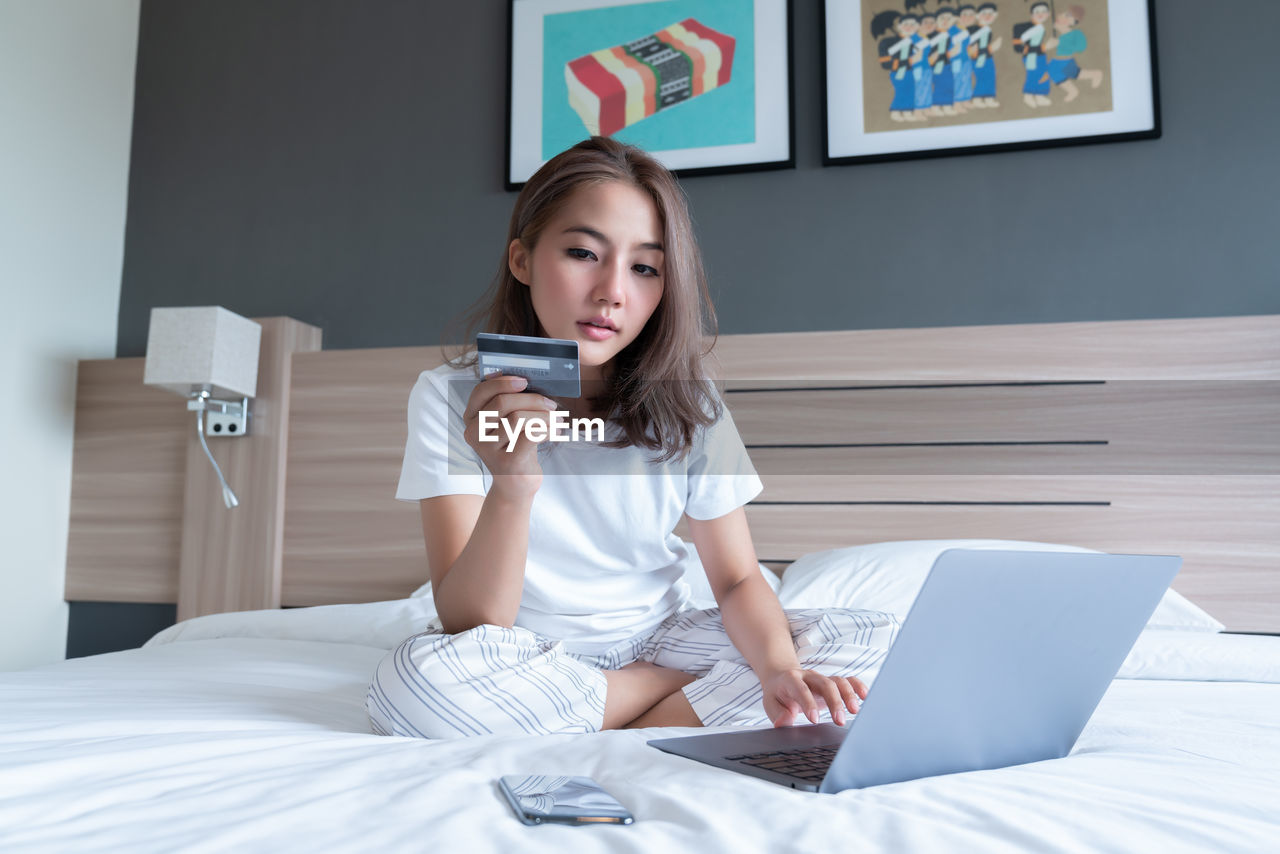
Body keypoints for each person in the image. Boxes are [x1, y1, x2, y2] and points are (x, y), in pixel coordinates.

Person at [366, 137, 899, 740]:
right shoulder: (452, 395)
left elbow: (736, 580)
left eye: (645, 267)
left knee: (878, 642)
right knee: (414, 690)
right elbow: (472, 622)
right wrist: (512, 484)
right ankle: (659, 697)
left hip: (660, 637)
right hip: (522, 649)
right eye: (583, 253)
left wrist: (777, 668)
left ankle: (581, 715)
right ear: (522, 260)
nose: (612, 291)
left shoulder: (689, 401)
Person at [1042, 5, 1104, 103]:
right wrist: (1049, 45)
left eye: (1067, 15)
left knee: (1076, 74)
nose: (1061, 15)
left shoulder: (1075, 34)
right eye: (1062, 14)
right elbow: (1060, 32)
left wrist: (1058, 42)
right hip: (1056, 62)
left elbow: (1080, 47)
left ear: (1074, 21)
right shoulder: (1062, 34)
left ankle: (1095, 74)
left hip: (1065, 62)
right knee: (1055, 74)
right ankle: (1073, 90)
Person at [971, 3, 1003, 108]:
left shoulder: (987, 30)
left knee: (990, 76)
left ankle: (989, 97)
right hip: (978, 58)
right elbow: (972, 47)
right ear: (978, 16)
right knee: (982, 77)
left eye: (991, 13)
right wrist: (991, 48)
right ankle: (977, 98)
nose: (988, 16)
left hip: (987, 57)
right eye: (984, 13)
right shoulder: (973, 30)